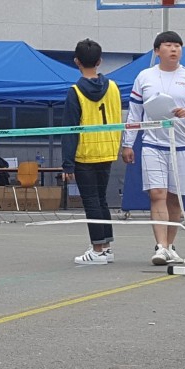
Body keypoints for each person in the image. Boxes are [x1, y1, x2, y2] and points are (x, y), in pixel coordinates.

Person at [120, 31, 185, 265]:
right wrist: (128, 143)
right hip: (152, 144)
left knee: (175, 199)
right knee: (157, 194)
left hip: (183, 146)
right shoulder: (145, 76)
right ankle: (160, 247)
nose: (173, 49)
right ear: (157, 51)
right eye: (168, 45)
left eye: (177, 46)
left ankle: (170, 246)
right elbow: (135, 112)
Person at [61, 39, 121, 265]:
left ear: (76, 61)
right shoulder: (113, 87)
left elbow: (70, 130)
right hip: (107, 149)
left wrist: (67, 163)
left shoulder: (75, 92)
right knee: (101, 199)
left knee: (91, 201)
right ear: (100, 61)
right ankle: (105, 247)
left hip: (85, 153)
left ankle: (97, 249)